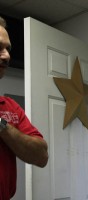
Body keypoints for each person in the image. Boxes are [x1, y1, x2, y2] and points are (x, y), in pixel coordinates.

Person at [0, 16, 48, 199]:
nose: (7, 56)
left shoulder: (9, 107)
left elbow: (41, 156)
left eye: (8, 49)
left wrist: (1, 125)